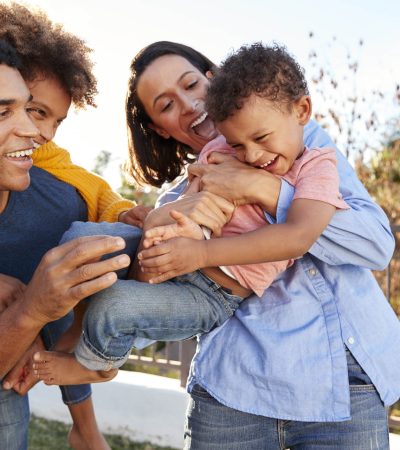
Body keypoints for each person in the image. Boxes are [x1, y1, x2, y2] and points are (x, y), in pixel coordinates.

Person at [37, 41, 399, 449]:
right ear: (159, 127)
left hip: (339, 383)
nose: (190, 105)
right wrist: (179, 217)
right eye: (166, 105)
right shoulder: (188, 183)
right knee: (86, 243)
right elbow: (154, 282)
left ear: (213, 79)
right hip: (233, 387)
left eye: (191, 84)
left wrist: (262, 188)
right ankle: (72, 347)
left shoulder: (308, 149)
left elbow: (373, 245)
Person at [0, 4, 144, 450]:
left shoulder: (52, 184)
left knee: (71, 261)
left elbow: (93, 188)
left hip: (18, 351)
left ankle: (84, 423)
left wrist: (123, 212)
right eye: (22, 110)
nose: (39, 132)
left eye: (45, 117)